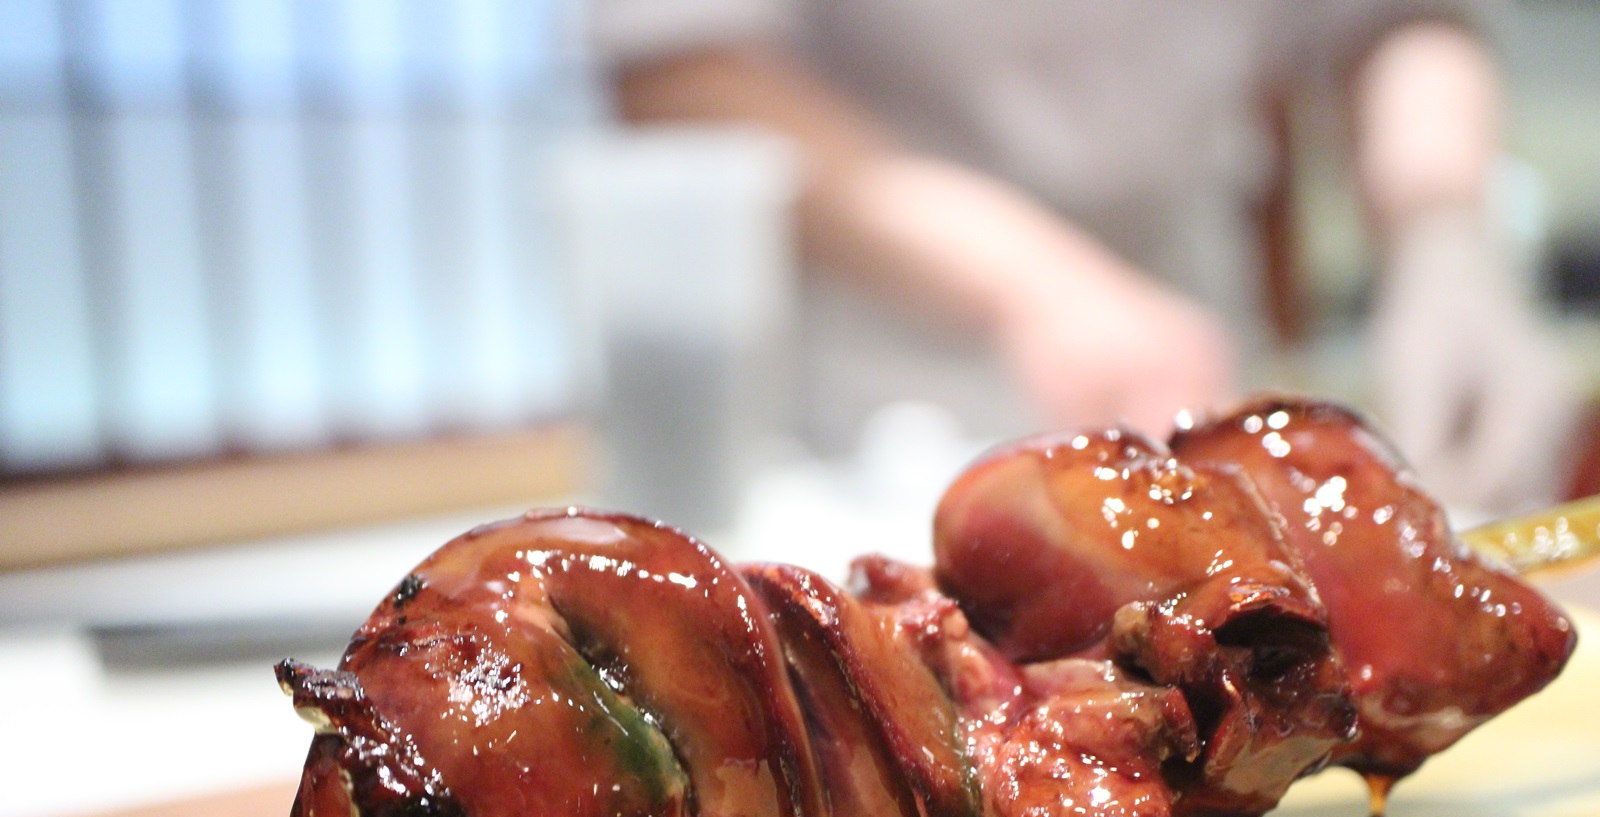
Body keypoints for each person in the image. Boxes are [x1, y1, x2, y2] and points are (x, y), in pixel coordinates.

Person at [587, 0, 1578, 513]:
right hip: (876, 420)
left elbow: (1393, 18)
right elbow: (683, 69)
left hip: (1201, 383)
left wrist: (1445, 230)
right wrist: (1035, 283)